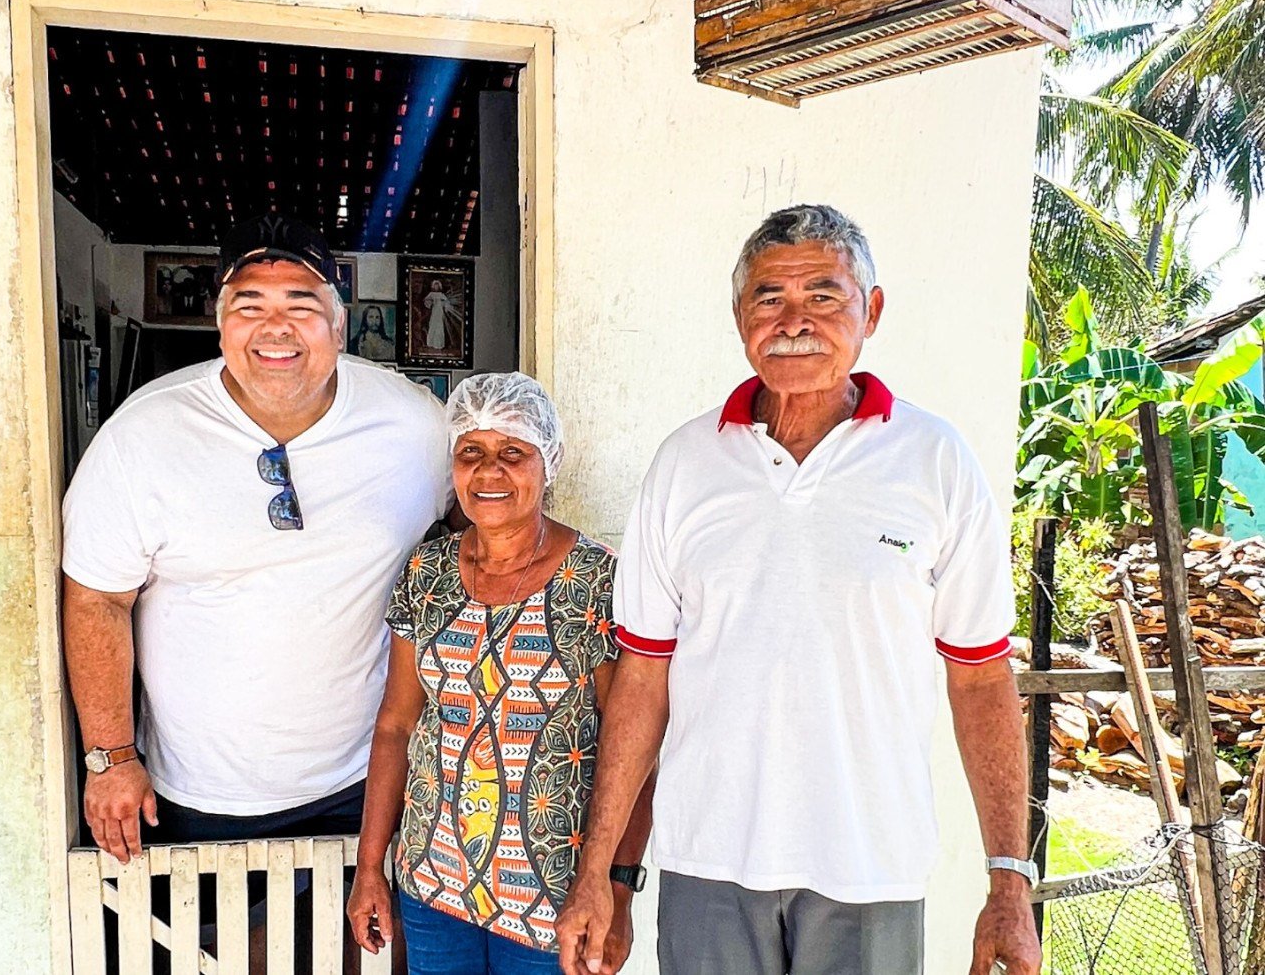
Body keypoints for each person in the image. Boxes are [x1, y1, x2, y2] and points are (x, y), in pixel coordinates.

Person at [556, 205, 1038, 975]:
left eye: (824, 294)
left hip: (869, 863)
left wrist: (1008, 879)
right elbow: (642, 679)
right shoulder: (684, 464)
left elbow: (981, 677)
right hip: (707, 857)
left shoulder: (936, 461)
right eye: (769, 297)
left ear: (871, 310)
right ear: (739, 316)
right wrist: (600, 870)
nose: (794, 320)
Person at [61, 214, 450, 924]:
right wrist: (110, 755)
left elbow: (474, 544)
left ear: (339, 323)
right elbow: (95, 600)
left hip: (364, 782)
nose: (276, 328)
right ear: (221, 325)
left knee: (361, 953)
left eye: (302, 305)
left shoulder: (414, 425)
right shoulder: (142, 437)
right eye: (250, 306)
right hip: (198, 795)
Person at [347, 372, 656, 975]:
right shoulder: (427, 569)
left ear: (549, 463)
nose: (489, 473)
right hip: (432, 881)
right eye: (472, 453)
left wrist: (615, 890)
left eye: (513, 453)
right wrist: (369, 868)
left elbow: (634, 746)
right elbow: (396, 725)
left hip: (556, 894)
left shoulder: (597, 582)